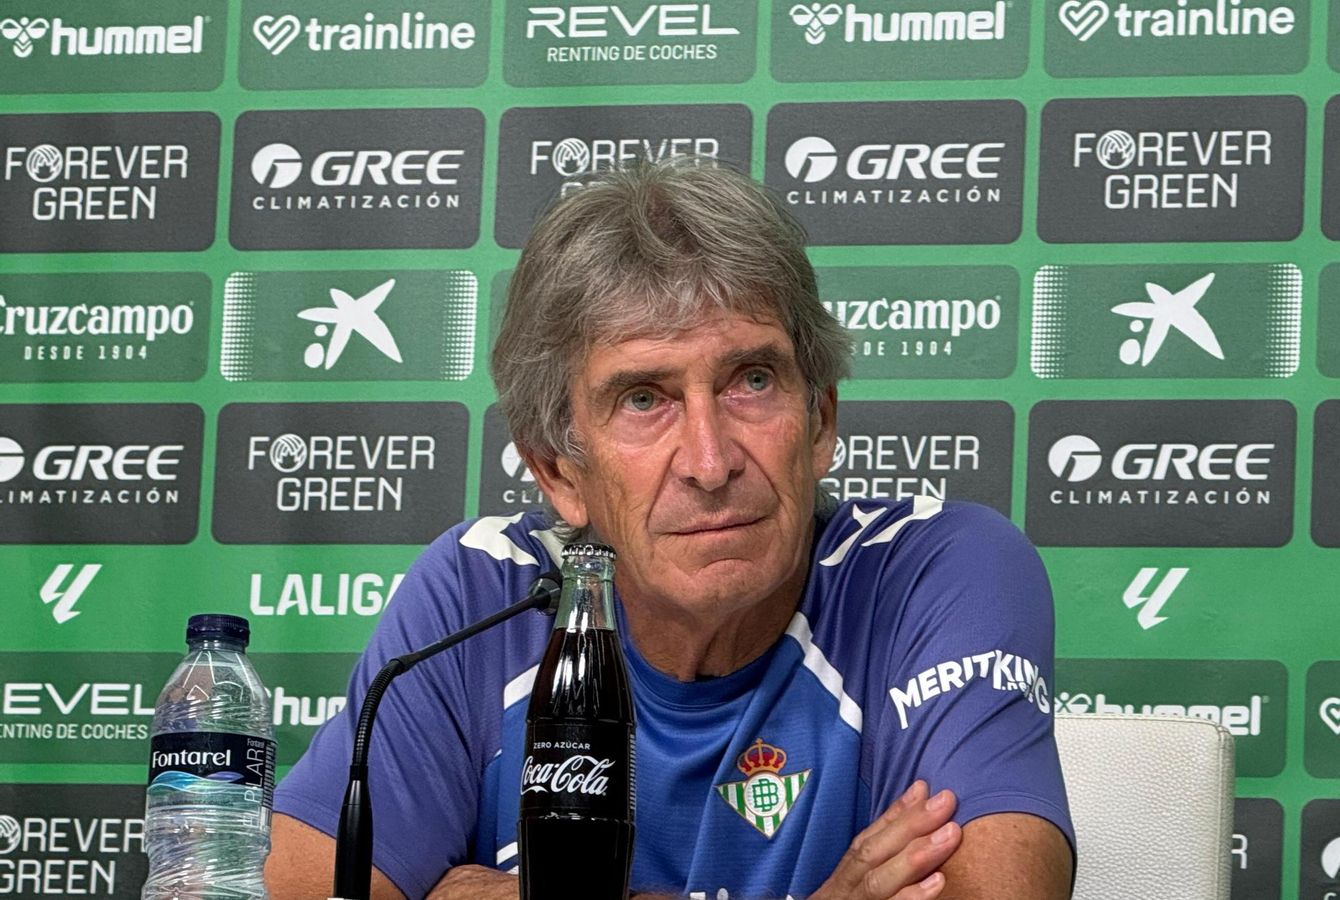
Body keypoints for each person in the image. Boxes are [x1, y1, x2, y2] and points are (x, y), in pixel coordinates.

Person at [264, 159, 1075, 899]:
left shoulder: (938, 571)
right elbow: (293, 888)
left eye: (751, 381)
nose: (711, 459)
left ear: (820, 420)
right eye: (644, 399)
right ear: (557, 470)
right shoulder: (484, 591)